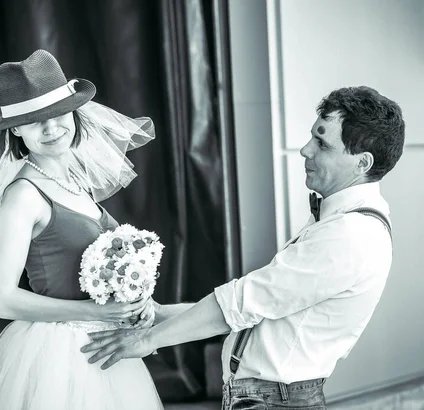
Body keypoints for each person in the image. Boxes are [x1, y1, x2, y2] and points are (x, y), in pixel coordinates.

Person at [82, 86, 405, 409]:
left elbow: (243, 302)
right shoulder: (342, 223)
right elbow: (259, 312)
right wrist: (160, 315)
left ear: (362, 163)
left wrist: (146, 340)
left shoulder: (350, 235)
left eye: (322, 143)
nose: (306, 150)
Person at [0, 49, 163, 410]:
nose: (51, 128)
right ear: (15, 128)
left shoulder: (78, 180)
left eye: (58, 114)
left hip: (105, 349)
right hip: (58, 356)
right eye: (35, 121)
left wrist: (136, 302)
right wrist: (96, 314)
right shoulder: (23, 195)